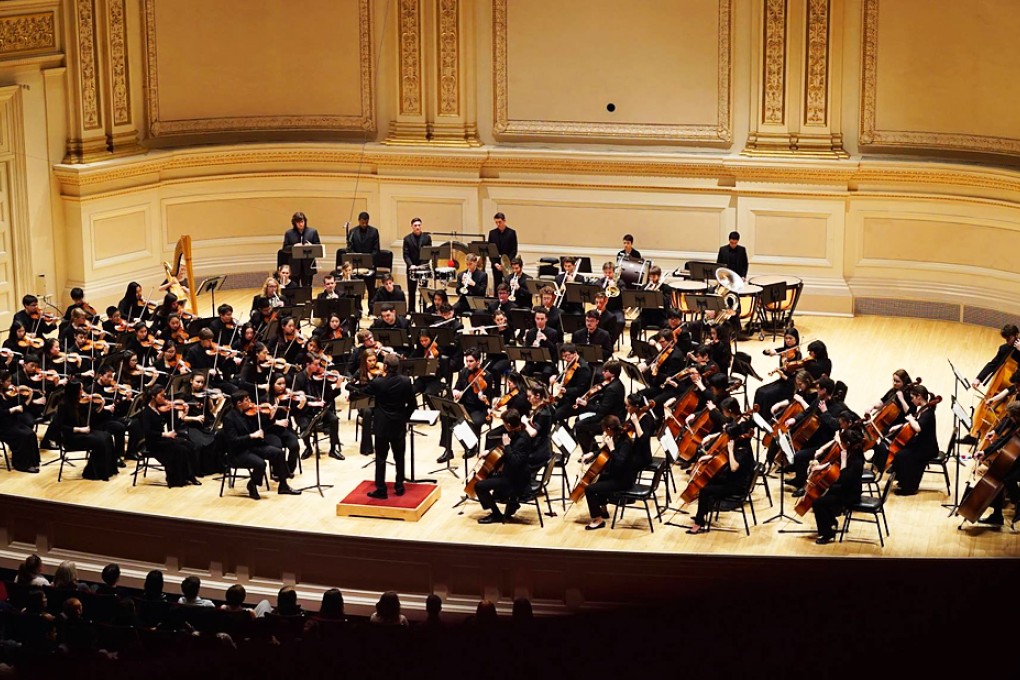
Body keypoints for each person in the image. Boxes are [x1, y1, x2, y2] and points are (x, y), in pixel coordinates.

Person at [223, 389, 300, 499]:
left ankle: (283, 486)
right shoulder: (229, 418)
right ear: (239, 403)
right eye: (247, 400)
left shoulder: (251, 413)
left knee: (278, 453)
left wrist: (271, 415)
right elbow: (233, 441)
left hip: (254, 446)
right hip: (239, 452)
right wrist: (251, 436)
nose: (250, 401)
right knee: (260, 463)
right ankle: (252, 484)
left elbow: (264, 426)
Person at [359, 353, 416, 499]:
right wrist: (404, 417)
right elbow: (412, 404)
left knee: (381, 458)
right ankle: (399, 486)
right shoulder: (406, 381)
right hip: (398, 424)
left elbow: (362, 392)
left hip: (382, 425)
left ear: (385, 366)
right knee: (399, 457)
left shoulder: (379, 383)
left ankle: (381, 489)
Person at [474, 409, 533, 524]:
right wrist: (488, 452)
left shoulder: (522, 440)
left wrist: (507, 446)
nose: (503, 426)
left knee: (479, 486)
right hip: (513, 474)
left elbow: (514, 461)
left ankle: (496, 514)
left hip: (516, 480)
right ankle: (510, 502)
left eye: (504, 423)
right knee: (489, 477)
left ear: (509, 425)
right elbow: (501, 447)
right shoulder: (518, 432)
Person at [582, 415, 638, 530]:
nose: (604, 433)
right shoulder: (617, 436)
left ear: (608, 429)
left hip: (623, 480)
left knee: (589, 489)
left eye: (604, 430)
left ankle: (598, 520)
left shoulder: (625, 442)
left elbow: (620, 462)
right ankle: (603, 510)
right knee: (601, 477)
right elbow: (605, 450)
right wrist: (592, 454)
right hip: (616, 475)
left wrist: (612, 448)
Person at [54, 380, 118, 481]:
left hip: (83, 432)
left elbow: (92, 413)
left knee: (107, 436)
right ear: (74, 391)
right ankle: (92, 473)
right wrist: (80, 430)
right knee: (99, 442)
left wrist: (101, 405)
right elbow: (61, 427)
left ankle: (109, 470)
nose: (83, 392)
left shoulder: (78, 402)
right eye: (80, 390)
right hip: (71, 437)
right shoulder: (63, 405)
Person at [811, 428, 866, 544]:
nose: (840, 445)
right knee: (827, 493)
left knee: (817, 503)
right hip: (846, 489)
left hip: (851, 494)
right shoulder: (853, 452)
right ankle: (830, 522)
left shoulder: (856, 460)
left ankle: (827, 534)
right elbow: (834, 464)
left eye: (842, 443)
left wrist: (844, 461)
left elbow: (844, 479)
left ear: (848, 444)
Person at [140, 385, 200, 488]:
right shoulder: (146, 413)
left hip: (164, 439)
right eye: (162, 396)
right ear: (154, 396)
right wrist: (165, 434)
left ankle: (188, 475)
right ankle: (178, 479)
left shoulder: (161, 410)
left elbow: (175, 425)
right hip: (154, 442)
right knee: (179, 448)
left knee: (189, 445)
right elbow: (148, 432)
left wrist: (184, 414)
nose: (165, 398)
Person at [348, 211, 381, 303]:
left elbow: (376, 249)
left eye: (366, 222)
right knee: (357, 289)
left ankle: (371, 309)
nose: (364, 224)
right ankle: (358, 308)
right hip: (356, 266)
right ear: (358, 221)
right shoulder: (352, 232)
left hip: (370, 265)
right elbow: (349, 248)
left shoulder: (374, 231)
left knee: (371, 289)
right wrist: (357, 257)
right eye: (362, 222)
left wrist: (368, 259)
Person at [282, 211, 321, 287]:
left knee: (307, 288)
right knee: (294, 288)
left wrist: (311, 246)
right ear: (294, 223)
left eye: (302, 222)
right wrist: (294, 246)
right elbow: (284, 248)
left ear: (305, 221)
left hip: (308, 266)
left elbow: (318, 246)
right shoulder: (289, 233)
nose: (301, 224)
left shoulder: (312, 232)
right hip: (294, 267)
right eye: (298, 222)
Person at [402, 217, 432, 310]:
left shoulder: (427, 238)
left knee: (424, 291)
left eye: (419, 225)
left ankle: (424, 311)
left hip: (423, 268)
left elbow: (428, 253)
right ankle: (411, 311)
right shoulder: (407, 239)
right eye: (415, 225)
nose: (417, 227)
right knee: (411, 291)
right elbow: (406, 254)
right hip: (412, 268)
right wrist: (411, 265)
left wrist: (421, 266)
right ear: (412, 226)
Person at [487, 211, 518, 290]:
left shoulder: (511, 233)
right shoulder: (492, 233)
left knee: (507, 284)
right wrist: (495, 263)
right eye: (496, 222)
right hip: (496, 265)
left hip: (507, 265)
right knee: (497, 284)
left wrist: (506, 263)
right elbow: (490, 250)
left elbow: (514, 250)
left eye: (499, 222)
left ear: (504, 221)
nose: (498, 224)